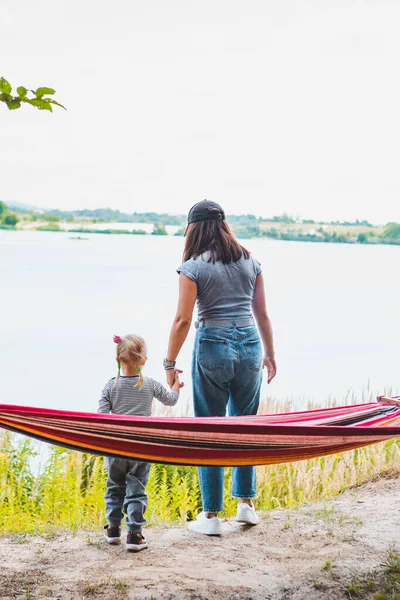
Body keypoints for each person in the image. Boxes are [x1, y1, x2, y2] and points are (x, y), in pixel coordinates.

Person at [164, 199, 276, 535]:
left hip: (213, 344)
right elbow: (263, 315)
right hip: (251, 345)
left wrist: (169, 363)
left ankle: (211, 516)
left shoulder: (193, 267)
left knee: (208, 429)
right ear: (224, 225)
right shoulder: (250, 261)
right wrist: (269, 353)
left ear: (193, 229)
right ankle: (246, 506)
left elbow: (183, 320)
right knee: (246, 426)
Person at [98, 333, 183, 551]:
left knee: (115, 486)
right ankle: (135, 535)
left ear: (117, 359)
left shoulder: (110, 387)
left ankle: (113, 529)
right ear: (143, 360)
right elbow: (171, 400)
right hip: (141, 446)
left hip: (115, 447)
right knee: (137, 488)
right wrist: (175, 385)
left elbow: (100, 417)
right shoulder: (151, 385)